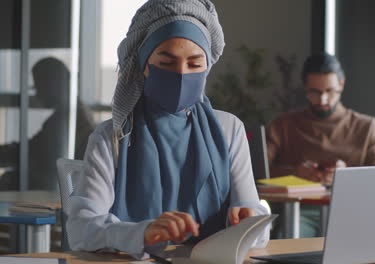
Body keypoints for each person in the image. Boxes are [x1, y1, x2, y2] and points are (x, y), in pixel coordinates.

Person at [67, 0, 269, 259]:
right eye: (167, 63)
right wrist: (142, 233)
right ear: (144, 66)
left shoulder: (228, 129)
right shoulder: (112, 136)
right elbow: (81, 229)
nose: (182, 74)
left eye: (195, 65)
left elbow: (255, 223)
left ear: (208, 67)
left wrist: (247, 222)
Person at [267, 52, 375, 237]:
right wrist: (295, 173)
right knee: (288, 241)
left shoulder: (366, 127)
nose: (323, 100)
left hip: (353, 213)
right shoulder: (283, 125)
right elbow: (256, 172)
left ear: (341, 85)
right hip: (298, 213)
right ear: (305, 88)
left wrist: (347, 175)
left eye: (329, 91)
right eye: (315, 92)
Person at [0, 57, 95, 190]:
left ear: (52, 85)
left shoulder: (65, 119)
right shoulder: (75, 113)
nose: (38, 94)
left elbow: (34, 154)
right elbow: (34, 149)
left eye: (39, 86)